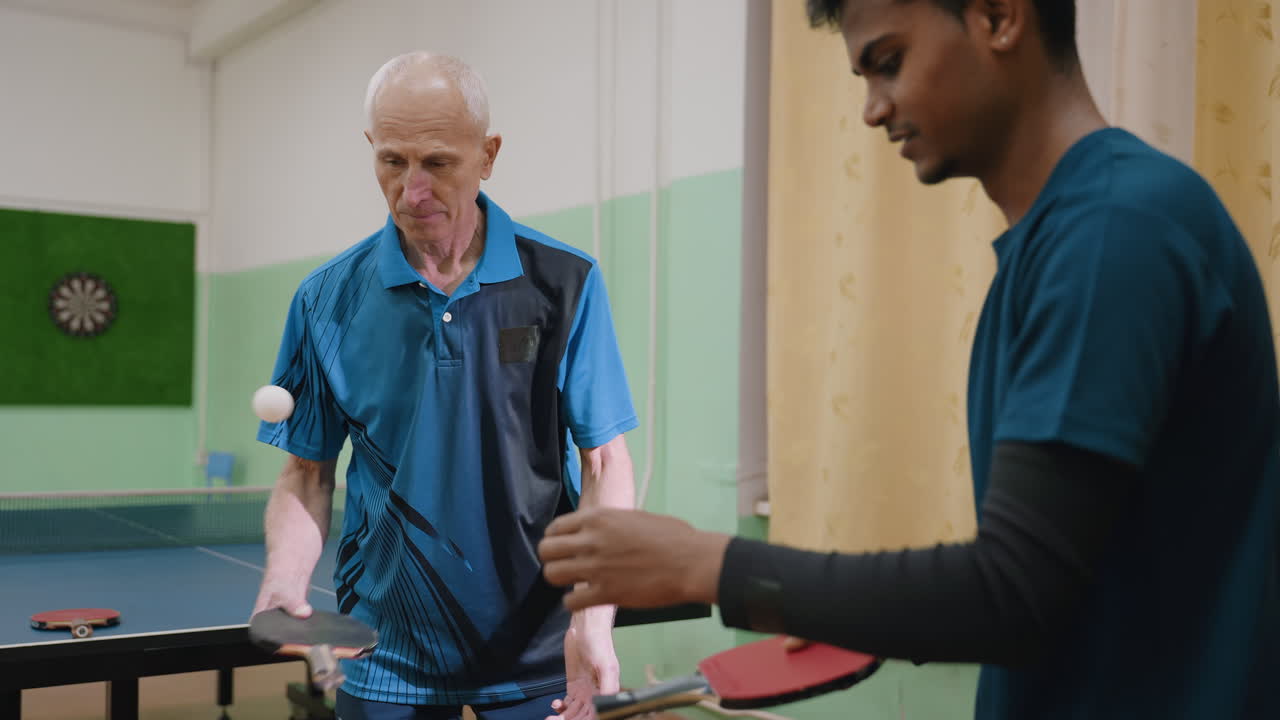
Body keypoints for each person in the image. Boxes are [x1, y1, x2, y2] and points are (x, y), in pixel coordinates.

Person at [537, 1, 1280, 718]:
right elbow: (1056, 574)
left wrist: (702, 564)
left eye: (888, 63)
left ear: (998, 15)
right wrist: (814, 597)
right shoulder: (1061, 244)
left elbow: (1013, 593)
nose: (872, 107)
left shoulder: (1114, 234)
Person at [253, 51, 637, 720]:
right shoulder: (325, 301)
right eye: (392, 161)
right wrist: (285, 578)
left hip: (542, 644)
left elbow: (605, 463)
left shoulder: (565, 283)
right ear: (371, 148)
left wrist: (593, 619)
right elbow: (306, 474)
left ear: (487, 155)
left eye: (437, 163)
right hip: (384, 650)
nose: (413, 190)